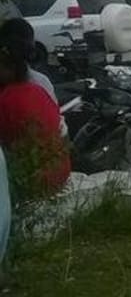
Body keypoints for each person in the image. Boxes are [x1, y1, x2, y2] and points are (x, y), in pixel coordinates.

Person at [0, 24, 70, 195]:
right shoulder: (38, 88)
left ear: (10, 67)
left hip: (33, 180)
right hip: (58, 171)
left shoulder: (8, 98)